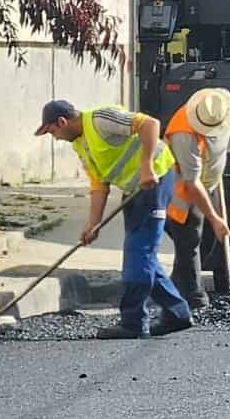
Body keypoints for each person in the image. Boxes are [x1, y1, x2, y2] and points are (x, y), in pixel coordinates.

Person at [34, 99, 192, 340]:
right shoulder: (80, 144)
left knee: (138, 251)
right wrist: (93, 224)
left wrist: (147, 165)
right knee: (142, 253)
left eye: (53, 131)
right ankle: (176, 312)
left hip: (156, 179)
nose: (54, 138)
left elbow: (150, 124)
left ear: (62, 121)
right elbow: (99, 185)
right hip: (134, 188)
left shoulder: (101, 119)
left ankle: (133, 322)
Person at [164, 87, 230, 309]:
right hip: (183, 192)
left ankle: (175, 288)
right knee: (189, 241)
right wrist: (214, 218)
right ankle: (195, 299)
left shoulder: (221, 106)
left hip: (209, 184)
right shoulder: (183, 134)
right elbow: (191, 183)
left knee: (208, 241)